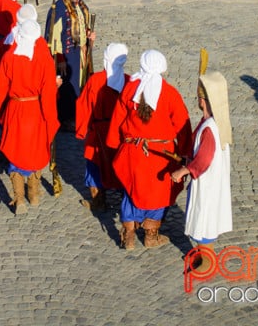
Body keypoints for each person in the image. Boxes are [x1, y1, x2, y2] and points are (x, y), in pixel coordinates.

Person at [106, 49, 192, 250]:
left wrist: (113, 146)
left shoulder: (130, 89)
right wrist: (186, 152)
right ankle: (151, 235)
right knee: (158, 194)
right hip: (161, 155)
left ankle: (128, 236)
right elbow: (182, 124)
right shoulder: (170, 93)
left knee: (131, 190)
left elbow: (117, 120)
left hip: (132, 152)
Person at [0, 19, 60, 214]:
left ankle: (19, 199)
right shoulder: (44, 59)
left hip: (15, 111)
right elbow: (49, 92)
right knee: (37, 151)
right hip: (36, 110)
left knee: (16, 155)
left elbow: (0, 87)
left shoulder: (10, 57)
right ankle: (33, 194)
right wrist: (51, 118)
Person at [170, 69, 233, 270]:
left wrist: (183, 171)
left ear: (203, 101)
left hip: (207, 183)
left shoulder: (210, 128)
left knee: (204, 217)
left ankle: (207, 261)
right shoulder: (213, 123)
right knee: (204, 215)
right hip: (211, 182)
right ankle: (203, 255)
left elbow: (204, 159)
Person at [75, 42, 129, 211]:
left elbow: (84, 106)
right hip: (120, 133)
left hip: (99, 131)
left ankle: (99, 201)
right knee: (121, 164)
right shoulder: (129, 81)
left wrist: (82, 129)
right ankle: (124, 201)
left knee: (95, 164)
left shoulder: (96, 80)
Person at [46, 0, 95, 130]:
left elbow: (82, 26)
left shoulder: (81, 6)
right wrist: (59, 57)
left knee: (80, 84)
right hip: (66, 54)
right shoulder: (59, 8)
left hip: (80, 53)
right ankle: (66, 118)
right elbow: (53, 35)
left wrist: (89, 36)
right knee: (69, 86)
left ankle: (77, 115)